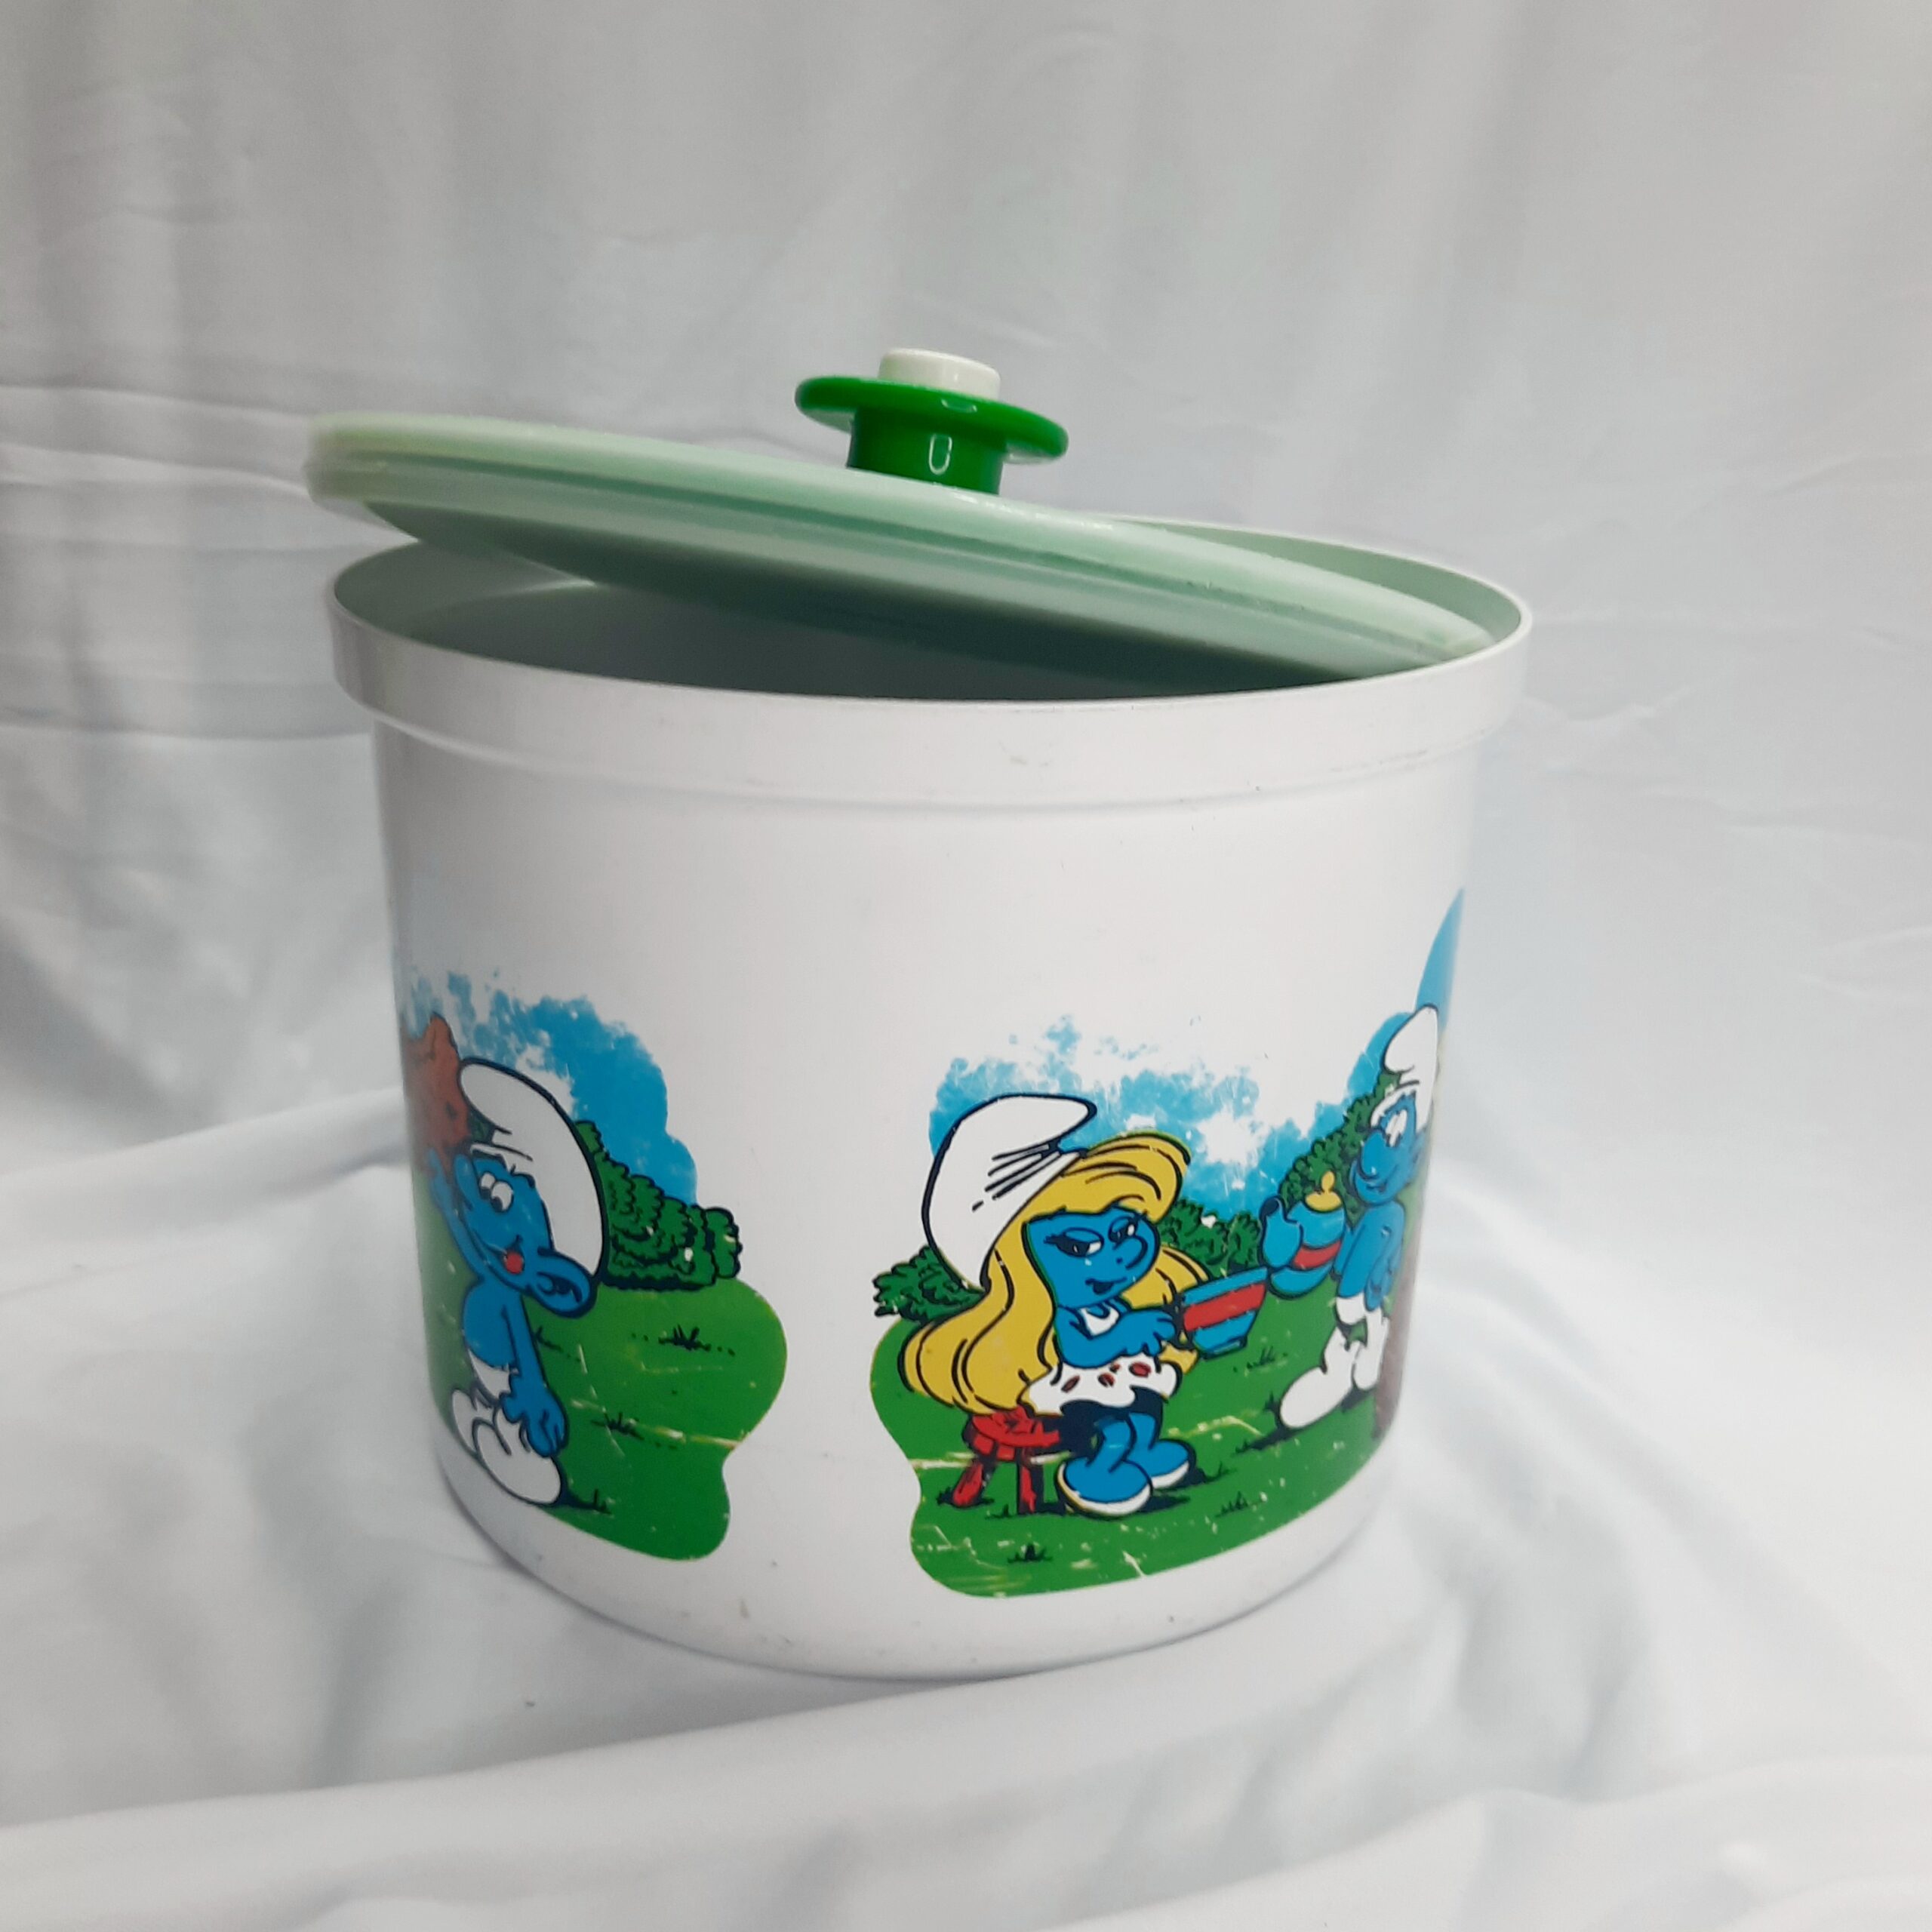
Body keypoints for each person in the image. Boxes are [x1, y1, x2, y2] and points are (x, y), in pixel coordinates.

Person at [903, 1094, 1206, 1518]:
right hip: (1077, 1389)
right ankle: (1094, 1475)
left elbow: (1128, 1332)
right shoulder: (1060, 1317)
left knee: (1147, 1412)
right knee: (1116, 1431)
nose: (1123, 1252)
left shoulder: (1114, 1304)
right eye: (1080, 1246)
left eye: (1125, 1227)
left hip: (1118, 1376)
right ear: (1023, 1268)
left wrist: (1154, 1333)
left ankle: (1145, 1455)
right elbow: (1082, 1351)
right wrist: (1126, 1334)